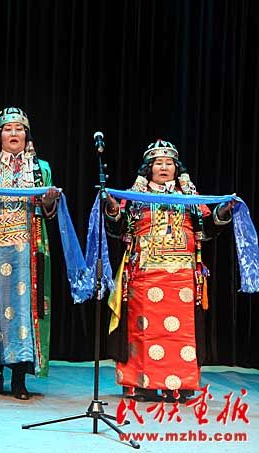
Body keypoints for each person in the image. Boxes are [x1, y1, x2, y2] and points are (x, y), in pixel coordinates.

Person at [104, 139, 235, 402]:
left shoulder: (190, 197)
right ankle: (143, 385)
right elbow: (118, 229)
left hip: (183, 277)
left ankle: (179, 385)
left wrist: (222, 212)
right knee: (144, 331)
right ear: (148, 168)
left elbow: (207, 230)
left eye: (169, 163)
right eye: (158, 163)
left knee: (181, 334)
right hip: (144, 274)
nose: (164, 168)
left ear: (177, 168)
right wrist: (113, 209)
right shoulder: (136, 197)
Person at [0, 107, 60, 400]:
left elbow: (47, 210)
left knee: (24, 312)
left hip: (27, 250)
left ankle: (19, 378)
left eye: (19, 128)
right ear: (0, 135)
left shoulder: (40, 168)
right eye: (8, 129)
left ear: (26, 134)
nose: (14, 133)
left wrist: (49, 200)